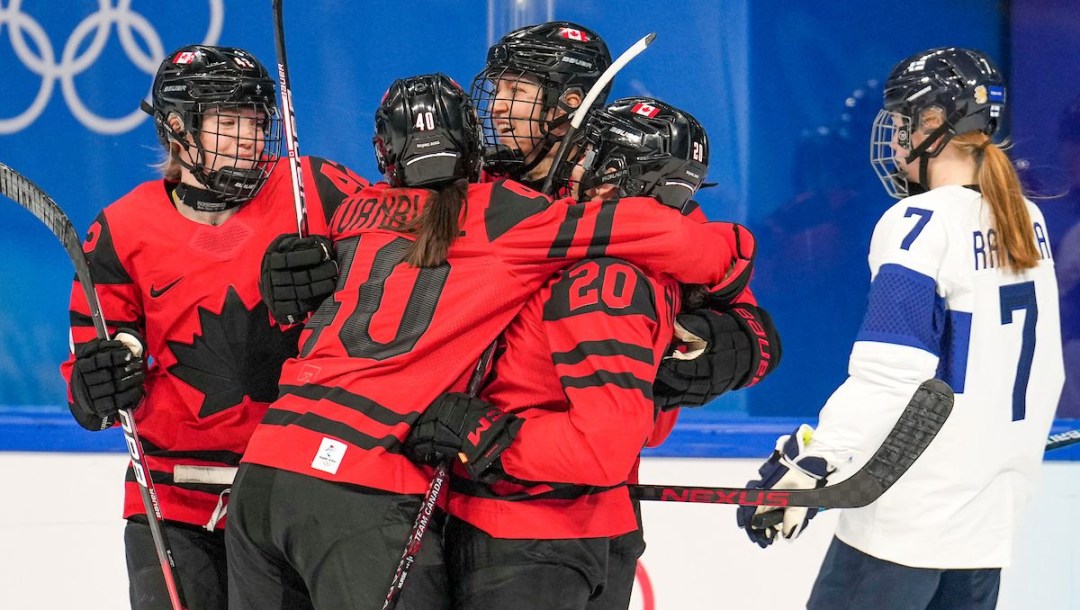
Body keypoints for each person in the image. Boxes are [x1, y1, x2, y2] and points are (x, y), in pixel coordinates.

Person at [226, 74, 749, 610]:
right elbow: (664, 232)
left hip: (263, 472)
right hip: (363, 479)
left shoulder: (350, 212)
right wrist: (736, 265)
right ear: (472, 141)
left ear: (384, 151)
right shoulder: (508, 212)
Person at [401, 97, 779, 610]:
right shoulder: (649, 237)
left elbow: (605, 442)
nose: (501, 108)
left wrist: (742, 341)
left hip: (523, 518)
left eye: (519, 87)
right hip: (568, 516)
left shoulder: (612, 263)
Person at [734, 47, 1064, 610]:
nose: (894, 140)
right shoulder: (1023, 219)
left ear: (934, 127)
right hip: (986, 529)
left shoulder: (919, 222)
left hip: (905, 523)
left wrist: (812, 466)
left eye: (903, 123)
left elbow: (890, 376)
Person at [59, 45, 362, 610]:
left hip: (293, 494)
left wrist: (338, 267)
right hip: (173, 501)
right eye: (229, 121)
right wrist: (95, 384)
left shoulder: (314, 192)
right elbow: (94, 377)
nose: (249, 137)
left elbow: (407, 264)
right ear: (177, 127)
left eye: (256, 120)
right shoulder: (122, 230)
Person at [470, 20, 611, 189]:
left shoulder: (607, 194)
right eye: (496, 91)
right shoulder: (477, 180)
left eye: (515, 91)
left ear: (569, 103)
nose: (495, 107)